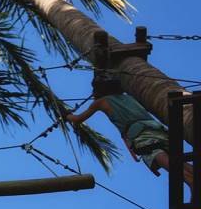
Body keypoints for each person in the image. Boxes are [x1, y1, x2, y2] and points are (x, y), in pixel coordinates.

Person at [66, 77, 194, 190]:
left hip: (140, 133)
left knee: (154, 153)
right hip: (159, 129)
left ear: (99, 91)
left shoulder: (101, 102)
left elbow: (78, 119)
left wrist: (67, 115)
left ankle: (190, 181)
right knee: (175, 157)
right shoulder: (128, 97)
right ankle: (194, 176)